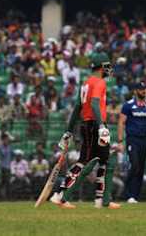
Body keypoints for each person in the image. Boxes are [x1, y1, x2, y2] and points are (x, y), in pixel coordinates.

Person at [49, 54, 121, 209]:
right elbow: (95, 104)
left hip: (87, 125)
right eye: (107, 66)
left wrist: (68, 131)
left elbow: (77, 108)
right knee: (85, 162)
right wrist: (102, 126)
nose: (109, 69)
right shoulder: (100, 82)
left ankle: (102, 200)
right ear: (102, 67)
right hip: (95, 125)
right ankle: (61, 195)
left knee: (105, 161)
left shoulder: (85, 83)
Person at [118, 81, 146, 203]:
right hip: (132, 139)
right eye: (141, 90)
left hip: (144, 139)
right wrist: (120, 141)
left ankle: (135, 195)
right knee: (134, 165)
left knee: (140, 168)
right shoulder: (128, 105)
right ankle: (128, 192)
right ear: (136, 91)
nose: (144, 91)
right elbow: (121, 122)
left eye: (145, 89)